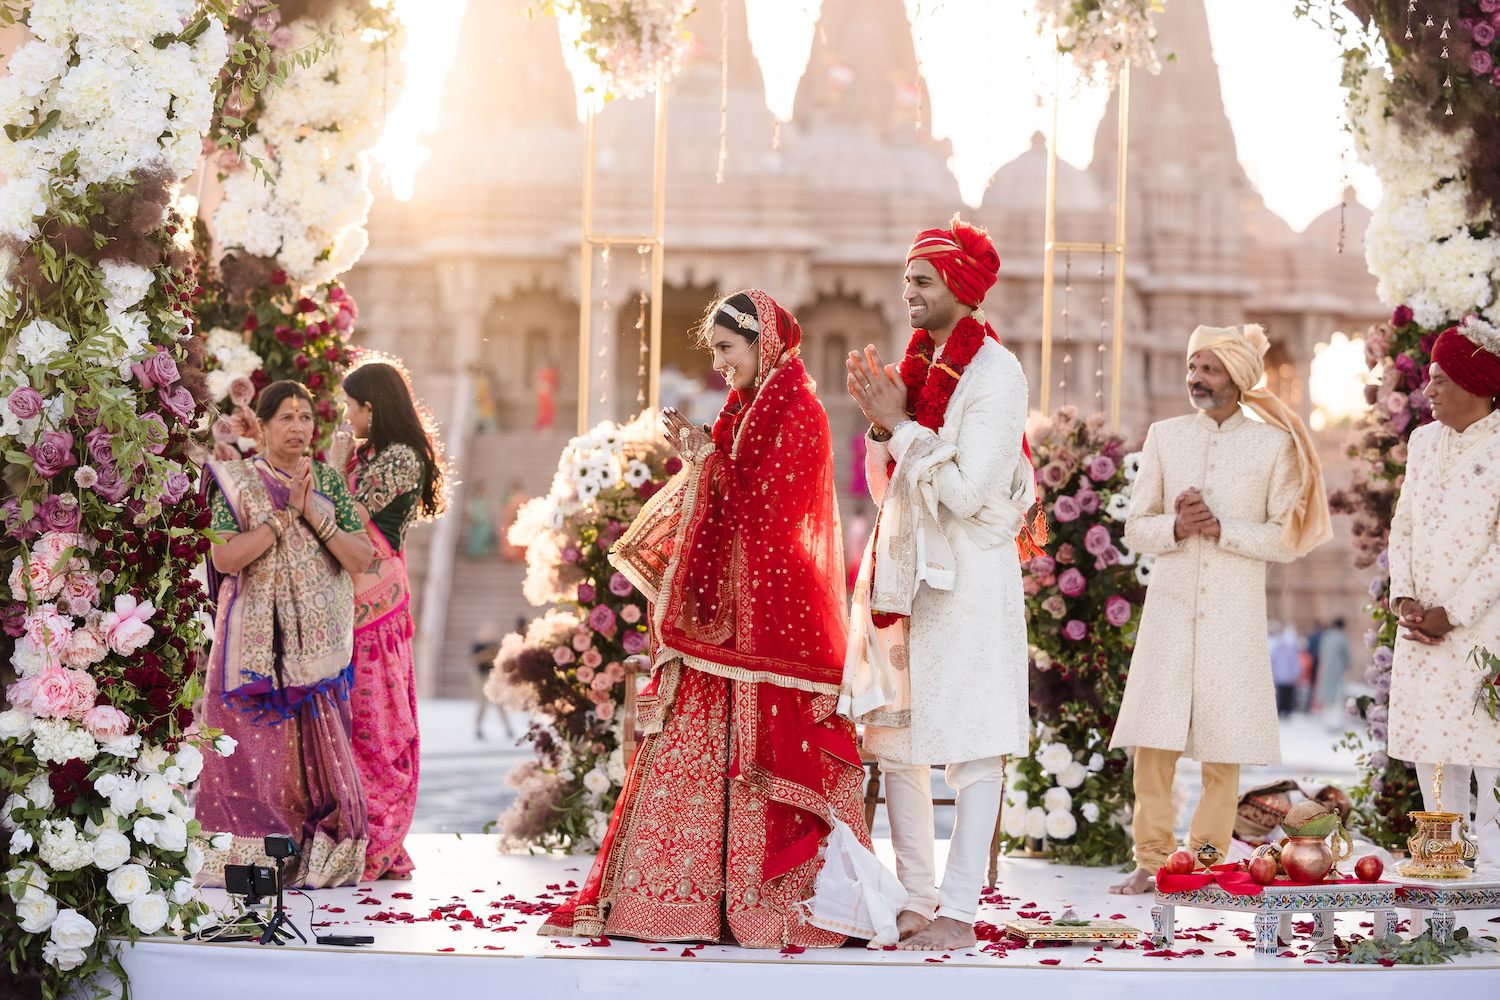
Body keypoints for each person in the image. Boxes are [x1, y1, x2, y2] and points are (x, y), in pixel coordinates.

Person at [538, 290, 874, 947]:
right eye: (715, 351)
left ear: (763, 343)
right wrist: (706, 456)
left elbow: (773, 514)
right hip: (726, 620)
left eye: (727, 349)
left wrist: (703, 457)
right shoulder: (745, 407)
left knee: (761, 762)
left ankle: (766, 904)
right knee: (686, 759)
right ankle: (675, 903)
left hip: (774, 621)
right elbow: (732, 495)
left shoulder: (798, 408)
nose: (719, 364)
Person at [843, 216, 1035, 951]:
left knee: (975, 745)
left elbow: (962, 492)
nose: (909, 293)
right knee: (898, 743)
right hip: (903, 572)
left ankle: (958, 910)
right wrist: (888, 428)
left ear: (958, 286)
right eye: (906, 280)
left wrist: (902, 427)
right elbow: (885, 483)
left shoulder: (996, 374)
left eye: (922, 280)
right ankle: (916, 901)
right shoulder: (918, 370)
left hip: (969, 582)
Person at [1108, 324, 1333, 894]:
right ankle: (1151, 859)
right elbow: (1135, 526)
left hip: (1232, 616)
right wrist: (1179, 526)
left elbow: (1287, 539)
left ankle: (1204, 864)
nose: (1195, 378)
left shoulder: (1273, 446)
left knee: (1222, 746)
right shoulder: (1164, 436)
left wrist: (1223, 528)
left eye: (1207, 369)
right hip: (1170, 610)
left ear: (1236, 376)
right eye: (1192, 367)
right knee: (1153, 743)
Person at [196, 380, 375, 887]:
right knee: (247, 752)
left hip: (314, 649)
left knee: (303, 762)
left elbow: (361, 559)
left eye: (306, 418)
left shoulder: (328, 482)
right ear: (266, 425)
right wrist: (281, 521)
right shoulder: (236, 481)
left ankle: (306, 855)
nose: (298, 427)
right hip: (251, 643)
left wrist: (316, 516)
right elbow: (226, 557)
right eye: (286, 418)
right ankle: (244, 857)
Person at [1387, 317, 1500, 874]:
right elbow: (1402, 523)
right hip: (1420, 626)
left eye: (1439, 380)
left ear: (1476, 382)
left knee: (1489, 754)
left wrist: (1452, 613)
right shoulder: (1423, 442)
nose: (1426, 390)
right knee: (1433, 746)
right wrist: (1406, 598)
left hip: (1484, 628)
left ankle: (1496, 880)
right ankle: (1443, 872)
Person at [336, 360, 447, 881]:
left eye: (350, 405)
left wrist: (336, 470)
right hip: (353, 599)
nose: (346, 415)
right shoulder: (374, 454)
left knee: (375, 723)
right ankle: (349, 831)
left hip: (375, 604)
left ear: (371, 407)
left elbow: (341, 518)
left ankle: (375, 836)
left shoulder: (399, 458)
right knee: (350, 719)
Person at [1317, 617, 1349, 730]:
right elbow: (1346, 656)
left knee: (1328, 697)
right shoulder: (1341, 637)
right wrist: (1347, 666)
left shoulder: (1327, 636)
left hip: (1326, 670)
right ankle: (1334, 723)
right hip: (1337, 671)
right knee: (1336, 697)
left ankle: (1327, 721)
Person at [1270, 622, 1300, 718]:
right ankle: (1281, 710)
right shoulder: (1276, 648)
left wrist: (1295, 673)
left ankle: (1287, 711)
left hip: (1288, 677)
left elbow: (1293, 661)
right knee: (1280, 695)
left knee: (1288, 695)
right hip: (1279, 676)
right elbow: (1273, 662)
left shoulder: (1289, 648)